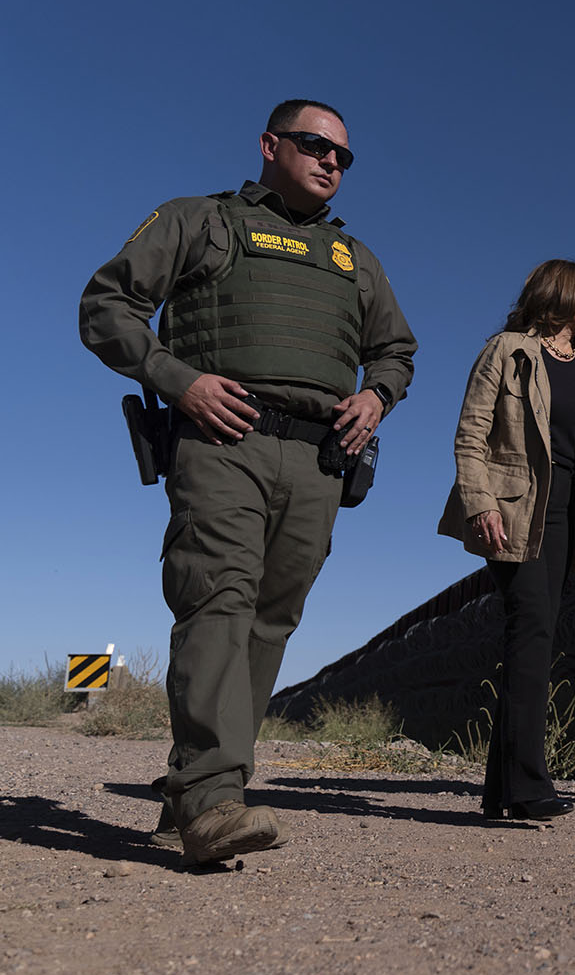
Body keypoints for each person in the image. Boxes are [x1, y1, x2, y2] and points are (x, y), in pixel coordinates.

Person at [78, 99, 417, 865]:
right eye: (313, 145)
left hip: (317, 460)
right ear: (270, 145)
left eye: (342, 156)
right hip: (223, 439)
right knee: (219, 600)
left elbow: (395, 349)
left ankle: (194, 788)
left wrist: (377, 395)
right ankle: (212, 801)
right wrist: (178, 380)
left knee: (270, 621)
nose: (331, 161)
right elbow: (106, 305)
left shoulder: (354, 259)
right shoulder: (201, 221)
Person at [440, 259, 575, 820]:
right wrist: (479, 503)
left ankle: (499, 792)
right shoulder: (507, 351)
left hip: (565, 519)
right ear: (565, 295)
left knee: (535, 641)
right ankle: (529, 786)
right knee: (530, 635)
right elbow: (470, 433)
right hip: (513, 512)